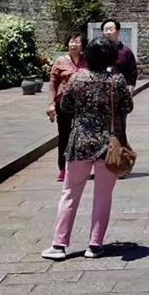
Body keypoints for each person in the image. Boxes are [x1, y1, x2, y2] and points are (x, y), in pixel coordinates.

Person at [42, 37, 134, 261]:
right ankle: (94, 244)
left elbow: (66, 106)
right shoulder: (116, 80)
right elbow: (127, 106)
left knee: (69, 194)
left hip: (80, 142)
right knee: (103, 196)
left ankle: (59, 244)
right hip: (108, 145)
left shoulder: (77, 78)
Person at [48, 29, 87, 183]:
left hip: (83, 105)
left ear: (82, 45)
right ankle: (63, 168)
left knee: (82, 135)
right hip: (63, 104)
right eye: (71, 41)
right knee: (64, 135)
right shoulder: (60, 61)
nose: (73, 44)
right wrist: (51, 104)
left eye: (77, 42)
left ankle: (80, 166)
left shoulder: (87, 60)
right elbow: (53, 84)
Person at [98, 19, 138, 89]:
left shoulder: (126, 51)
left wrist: (130, 89)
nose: (108, 32)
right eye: (106, 30)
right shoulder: (97, 51)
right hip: (101, 89)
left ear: (118, 32)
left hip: (121, 90)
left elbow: (132, 73)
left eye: (111, 29)